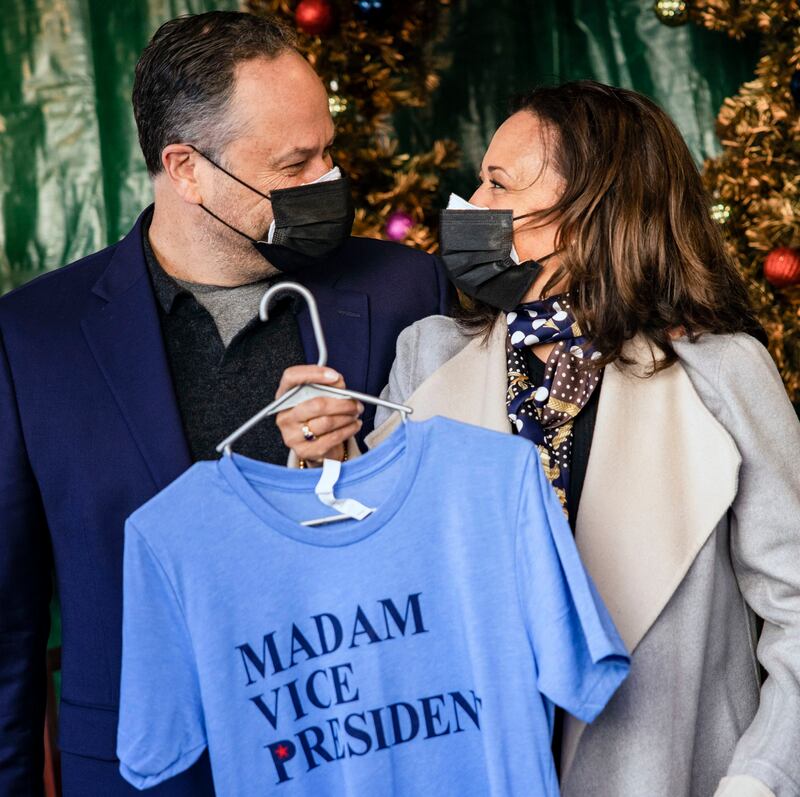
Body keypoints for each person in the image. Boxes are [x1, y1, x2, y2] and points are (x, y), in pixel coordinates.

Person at [281, 82, 800, 797]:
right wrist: (324, 457)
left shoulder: (722, 370)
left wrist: (760, 777)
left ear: (593, 210)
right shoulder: (427, 354)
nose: (469, 205)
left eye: (498, 182)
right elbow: (372, 590)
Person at [0, 11, 448, 796]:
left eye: (329, 152)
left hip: (374, 756)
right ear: (186, 168)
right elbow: (8, 629)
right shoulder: (35, 338)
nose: (328, 181)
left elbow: (458, 530)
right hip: (149, 774)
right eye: (295, 161)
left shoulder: (407, 289)